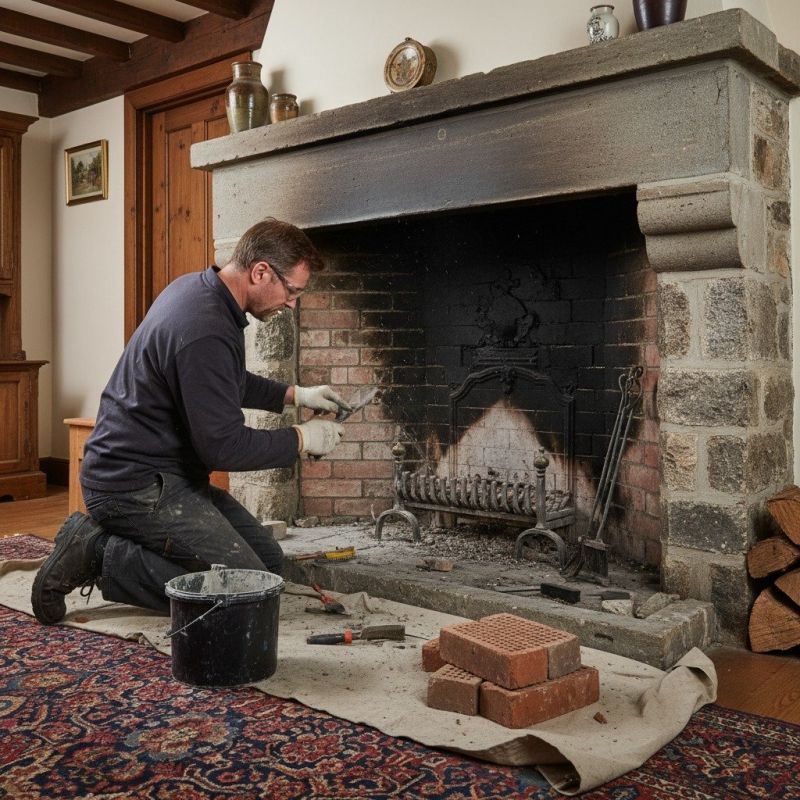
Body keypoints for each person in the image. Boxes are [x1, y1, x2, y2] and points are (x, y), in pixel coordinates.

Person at [31, 218, 349, 625]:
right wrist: (302, 439)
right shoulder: (205, 327)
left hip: (167, 475)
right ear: (261, 272)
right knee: (246, 590)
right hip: (130, 486)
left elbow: (221, 381)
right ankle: (95, 551)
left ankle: (121, 548)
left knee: (267, 565)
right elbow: (223, 447)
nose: (292, 304)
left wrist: (295, 395)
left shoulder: (201, 290)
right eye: (293, 291)